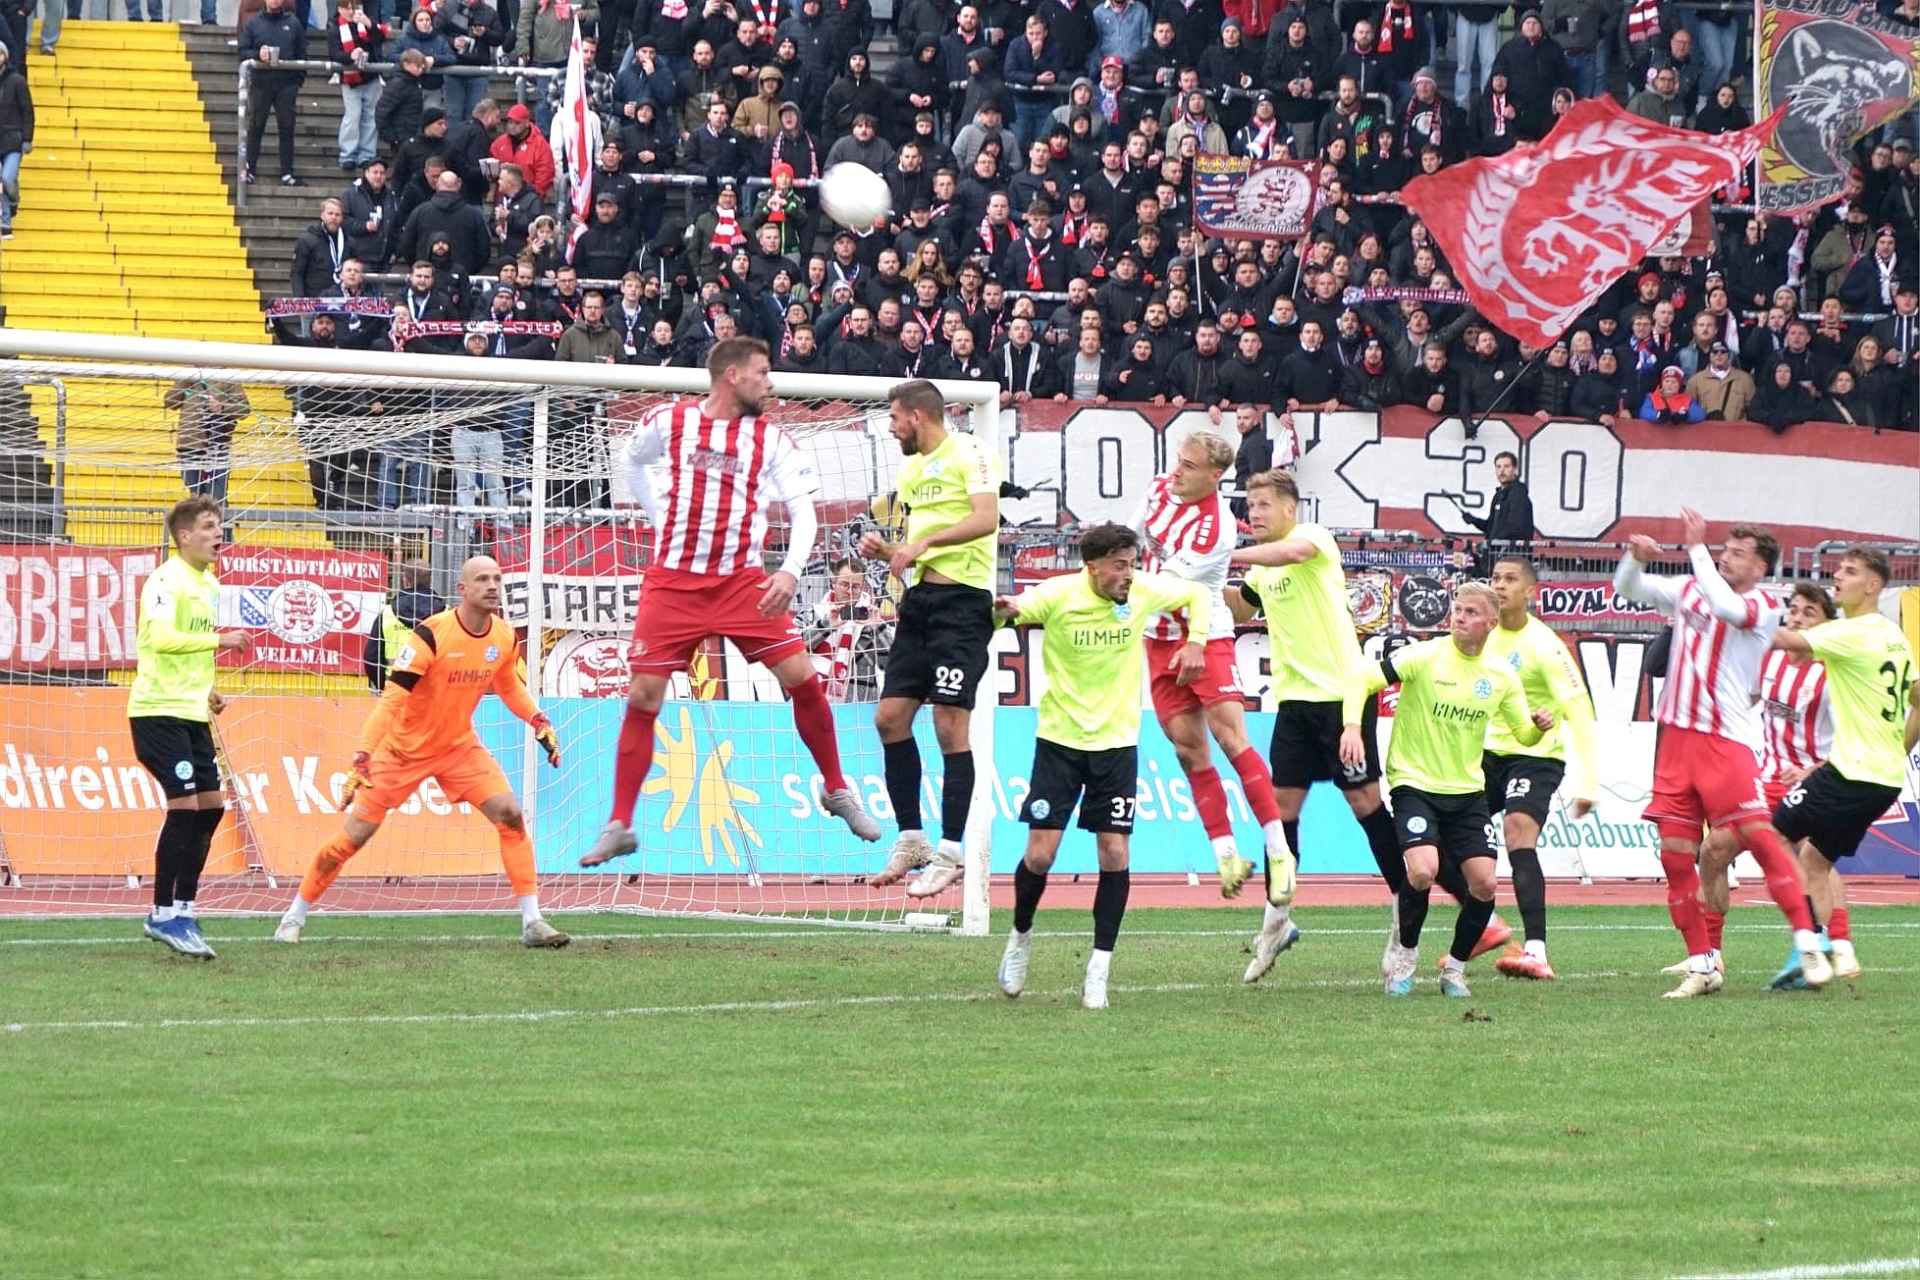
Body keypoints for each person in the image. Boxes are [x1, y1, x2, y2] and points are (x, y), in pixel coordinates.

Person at [582, 338, 881, 867]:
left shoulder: (772, 439)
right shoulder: (669, 421)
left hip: (743, 583)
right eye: (763, 373)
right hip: (674, 583)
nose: (771, 383)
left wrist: (790, 570)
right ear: (733, 376)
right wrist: (660, 517)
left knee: (803, 678)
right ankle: (620, 823)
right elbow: (631, 463)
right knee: (644, 695)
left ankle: (835, 788)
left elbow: (803, 510)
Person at [1228, 468, 1509, 981]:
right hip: (1294, 704)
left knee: (1367, 806)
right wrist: (1192, 581)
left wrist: (1224, 549)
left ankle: (1414, 906)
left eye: (1264, 505)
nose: (1255, 513)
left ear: (1289, 508)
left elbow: (1288, 553)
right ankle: (1277, 918)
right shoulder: (1263, 571)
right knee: (1280, 814)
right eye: (1251, 506)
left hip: (1341, 698)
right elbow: (1240, 604)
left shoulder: (1311, 538)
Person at [274, 557, 570, 948]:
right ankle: (293, 916)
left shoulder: (503, 636)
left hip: (459, 747)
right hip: (402, 752)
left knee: (511, 815)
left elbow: (509, 686)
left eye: (497, 579)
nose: (492, 586)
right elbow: (391, 700)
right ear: (462, 589)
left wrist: (538, 720)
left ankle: (533, 921)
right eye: (482, 579)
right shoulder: (431, 634)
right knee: (353, 838)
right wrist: (363, 756)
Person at [1613, 508, 1833, 997]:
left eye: (1738, 553)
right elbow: (1628, 589)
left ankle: (1808, 941)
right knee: (1675, 857)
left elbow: (1728, 609)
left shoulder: (1762, 605)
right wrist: (1635, 558)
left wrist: (1695, 547)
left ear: (1760, 567)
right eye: (1724, 550)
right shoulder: (1692, 589)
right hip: (1676, 742)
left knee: (1761, 838)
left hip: (1724, 742)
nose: (1726, 557)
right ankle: (1703, 963)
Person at [993, 521, 1211, 1010]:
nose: (1128, 574)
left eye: (1132, 564)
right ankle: (1020, 937)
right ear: (1092, 567)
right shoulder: (1058, 594)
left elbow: (1197, 594)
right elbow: (1015, 610)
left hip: (1116, 746)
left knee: (1114, 853)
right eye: (1119, 565)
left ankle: (1098, 971)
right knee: (1040, 857)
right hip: (1059, 742)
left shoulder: (1141, 591)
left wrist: (1196, 640)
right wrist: (1001, 612)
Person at [1343, 582, 1551, 998]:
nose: (1460, 617)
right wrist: (1351, 727)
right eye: (1457, 610)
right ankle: (1405, 956)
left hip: (1467, 792)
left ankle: (1454, 969)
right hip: (1414, 783)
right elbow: (1362, 680)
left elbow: (1523, 735)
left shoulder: (1500, 675)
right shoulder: (1423, 656)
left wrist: (1538, 727)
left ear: (1491, 623)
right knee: (1422, 871)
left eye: (1471, 612)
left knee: (1484, 884)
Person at [1129, 430, 1292, 909]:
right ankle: (1227, 856)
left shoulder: (1215, 526)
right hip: (1158, 639)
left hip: (1205, 635)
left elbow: (1169, 587)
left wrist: (1115, 589)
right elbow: (1131, 537)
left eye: (1188, 465)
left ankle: (1278, 850)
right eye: (1178, 461)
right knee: (1188, 751)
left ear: (1215, 476)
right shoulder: (1160, 488)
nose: (1176, 471)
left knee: (1231, 739)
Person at [859, 380, 1001, 896]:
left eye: (895, 418)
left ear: (917, 416)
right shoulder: (912, 469)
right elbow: (917, 549)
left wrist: (923, 543)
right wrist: (890, 551)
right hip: (919, 601)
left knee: (948, 726)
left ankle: (951, 852)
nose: (891, 427)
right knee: (889, 718)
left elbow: (986, 518)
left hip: (962, 605)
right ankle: (912, 838)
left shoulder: (971, 452)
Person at [1766, 547, 1917, 986]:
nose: (1838, 577)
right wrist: (1898, 750)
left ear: (1873, 586)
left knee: (1773, 837)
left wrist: (1734, 610)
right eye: (1839, 569)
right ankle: (1841, 949)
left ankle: (1809, 947)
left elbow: (1785, 640)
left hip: (1850, 772)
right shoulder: (1892, 634)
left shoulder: (1850, 632)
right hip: (1886, 780)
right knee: (1815, 858)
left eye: (1850, 572)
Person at [1679, 582, 1835, 978]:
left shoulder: (1834, 674)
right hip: (1764, 781)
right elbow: (1741, 700)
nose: (1797, 619)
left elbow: (1856, 739)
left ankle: (1824, 946)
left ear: (1827, 624)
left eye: (1809, 613)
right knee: (1713, 851)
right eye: (1794, 610)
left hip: (1815, 782)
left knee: (1813, 859)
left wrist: (1812, 770)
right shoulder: (1770, 662)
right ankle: (1711, 953)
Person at [130, 498, 253, 958]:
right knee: (184, 807)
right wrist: (221, 639)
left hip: (192, 712)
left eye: (219, 525)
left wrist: (208, 690)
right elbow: (161, 639)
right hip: (157, 712)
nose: (218, 533)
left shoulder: (210, 584)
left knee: (212, 807)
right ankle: (162, 914)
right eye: (208, 526)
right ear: (184, 536)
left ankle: (183, 909)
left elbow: (188, 653)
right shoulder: (166, 580)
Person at [1482, 555, 1598, 981]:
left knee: (1517, 832)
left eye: (1510, 579)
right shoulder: (1481, 637)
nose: (1500, 585)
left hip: (1537, 755)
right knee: (1448, 840)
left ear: (1530, 592)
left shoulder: (1546, 646)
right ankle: (1483, 927)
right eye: (1495, 577)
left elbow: (1580, 710)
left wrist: (1589, 783)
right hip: (1485, 754)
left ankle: (1536, 950)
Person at [239, 0, 307, 187]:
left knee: (287, 128)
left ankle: (287, 172)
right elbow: (242, 51)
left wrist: (297, 81)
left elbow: (302, 53)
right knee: (256, 127)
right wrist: (257, 55)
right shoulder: (254, 23)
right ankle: (250, 169)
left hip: (286, 85)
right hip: (261, 84)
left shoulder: (293, 23)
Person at [166, 376, 252, 505]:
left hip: (216, 447)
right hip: (189, 445)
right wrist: (186, 380)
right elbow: (170, 402)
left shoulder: (227, 377)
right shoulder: (187, 376)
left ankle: (220, 518)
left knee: (216, 498)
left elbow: (244, 409)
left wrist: (222, 407)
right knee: (195, 498)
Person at [1451, 449, 1532, 562]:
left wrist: (1491, 541)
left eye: (1506, 466)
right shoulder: (1498, 495)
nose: (1502, 470)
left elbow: (1515, 528)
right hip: (1495, 555)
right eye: (1498, 467)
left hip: (1512, 558)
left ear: (1515, 469)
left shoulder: (1518, 494)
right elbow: (1491, 527)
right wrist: (1474, 520)